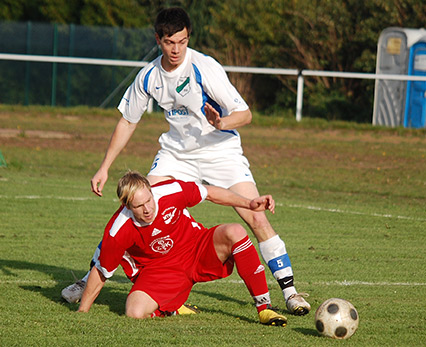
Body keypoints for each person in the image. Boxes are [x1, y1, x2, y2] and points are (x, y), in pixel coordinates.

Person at [63, 7, 310, 316]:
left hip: (221, 151)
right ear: (158, 40)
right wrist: (104, 166)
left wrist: (221, 123)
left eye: (182, 41)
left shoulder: (204, 67)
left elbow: (244, 114)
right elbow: (127, 121)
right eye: (169, 42)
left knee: (255, 215)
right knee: (134, 201)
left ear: (188, 38)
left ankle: (290, 292)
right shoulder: (149, 76)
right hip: (176, 154)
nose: (176, 49)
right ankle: (89, 279)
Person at [77, 170, 287, 326]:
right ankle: (171, 307)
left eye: (149, 200)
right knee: (134, 312)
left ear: (151, 192)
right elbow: (101, 272)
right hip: (160, 271)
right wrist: (82, 313)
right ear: (127, 206)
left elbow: (210, 193)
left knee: (235, 231)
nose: (148, 209)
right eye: (139, 206)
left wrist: (248, 203)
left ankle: (264, 309)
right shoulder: (118, 230)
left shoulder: (170, 191)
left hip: (196, 248)